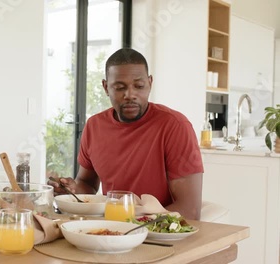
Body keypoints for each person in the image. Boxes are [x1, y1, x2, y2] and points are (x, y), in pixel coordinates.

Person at [47, 48, 203, 220]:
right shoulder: (94, 126)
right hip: (110, 228)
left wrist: (132, 227)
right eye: (120, 87)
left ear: (150, 83)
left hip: (157, 232)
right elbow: (88, 184)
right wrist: (73, 190)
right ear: (106, 87)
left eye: (139, 86)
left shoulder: (175, 126)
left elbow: (190, 209)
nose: (130, 95)